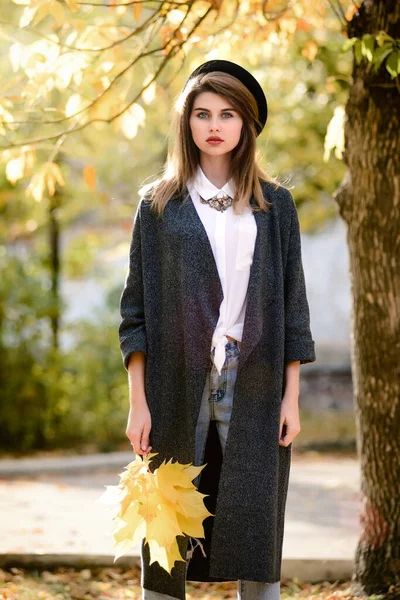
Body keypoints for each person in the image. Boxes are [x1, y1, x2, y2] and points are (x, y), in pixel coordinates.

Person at [119, 59, 316, 600]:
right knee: (166, 522)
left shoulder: (275, 207)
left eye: (227, 114)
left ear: (245, 125)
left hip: (254, 382)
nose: (214, 124)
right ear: (186, 124)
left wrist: (291, 397)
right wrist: (138, 402)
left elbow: (293, 313)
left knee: (255, 517)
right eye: (202, 113)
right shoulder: (159, 205)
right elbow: (134, 315)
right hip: (174, 382)